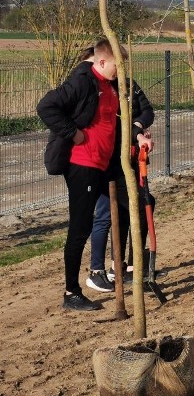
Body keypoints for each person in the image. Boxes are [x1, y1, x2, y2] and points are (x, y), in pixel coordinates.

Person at [36, 38, 124, 311]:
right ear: (101, 62)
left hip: (105, 163)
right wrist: (73, 134)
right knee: (80, 227)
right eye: (116, 66)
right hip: (83, 164)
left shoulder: (110, 85)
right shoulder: (84, 81)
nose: (119, 71)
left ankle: (125, 268)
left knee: (129, 204)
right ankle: (71, 292)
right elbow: (46, 106)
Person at [75, 47, 156, 293]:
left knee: (139, 206)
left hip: (127, 160)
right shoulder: (93, 89)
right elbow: (112, 124)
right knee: (105, 214)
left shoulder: (127, 86)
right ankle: (97, 270)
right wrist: (136, 133)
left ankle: (125, 266)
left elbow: (147, 111)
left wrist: (137, 126)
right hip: (103, 161)